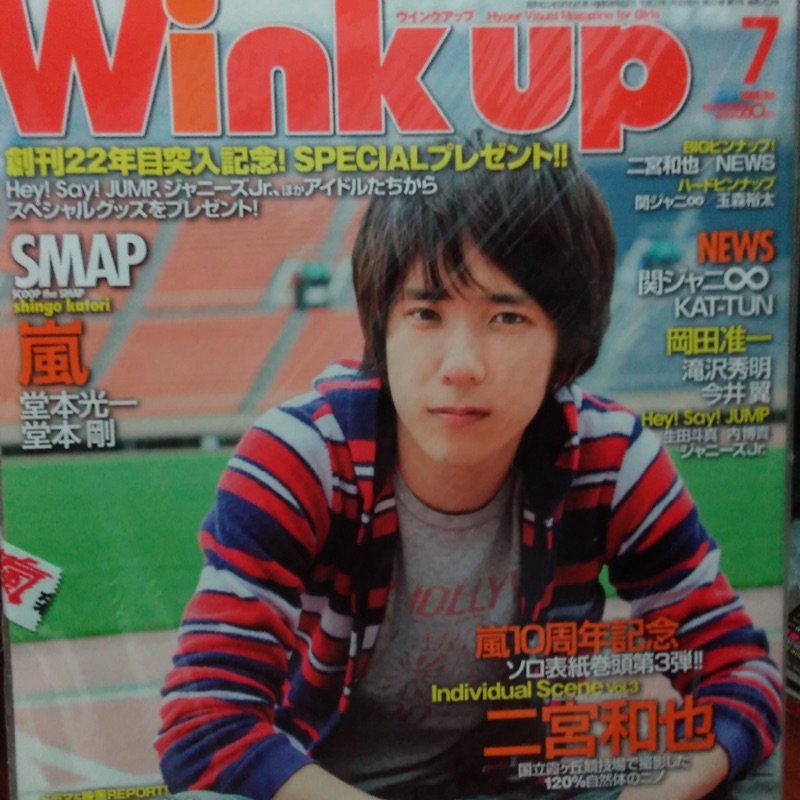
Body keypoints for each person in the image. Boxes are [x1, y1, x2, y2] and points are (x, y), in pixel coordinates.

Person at [156, 136, 782, 800]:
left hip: (514, 786)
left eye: (506, 317)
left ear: (564, 344)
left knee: (748, 775)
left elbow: (740, 672)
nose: (461, 365)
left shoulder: (610, 459)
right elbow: (205, 730)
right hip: (324, 788)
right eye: (425, 313)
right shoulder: (301, 459)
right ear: (382, 327)